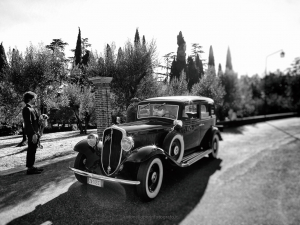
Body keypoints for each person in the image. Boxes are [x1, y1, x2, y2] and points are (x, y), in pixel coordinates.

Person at [22, 91, 44, 175]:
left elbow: (36, 121)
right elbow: (28, 123)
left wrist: (42, 117)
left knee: (33, 150)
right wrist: (34, 133)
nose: (35, 99)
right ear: (30, 99)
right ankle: (29, 169)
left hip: (35, 132)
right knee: (31, 150)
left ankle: (31, 166)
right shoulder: (26, 109)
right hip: (32, 133)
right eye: (34, 98)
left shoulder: (33, 109)